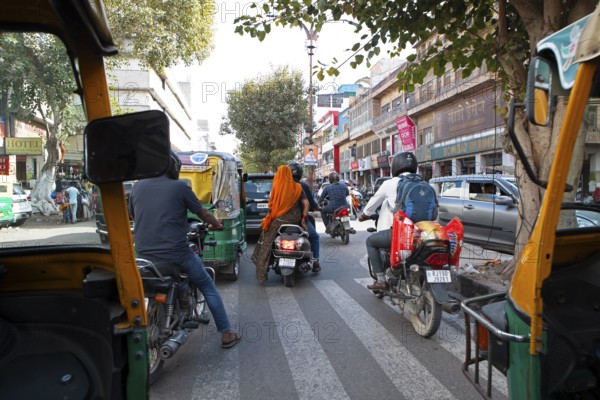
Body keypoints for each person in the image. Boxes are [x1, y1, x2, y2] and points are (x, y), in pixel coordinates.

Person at [129, 150, 241, 349]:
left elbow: (133, 215)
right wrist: (217, 225)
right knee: (207, 284)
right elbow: (204, 214)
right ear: (173, 167)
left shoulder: (137, 187)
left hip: (143, 256)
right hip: (177, 254)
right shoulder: (180, 187)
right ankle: (226, 333)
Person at [358, 152, 428, 291]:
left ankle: (381, 280)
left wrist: (364, 216)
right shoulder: (423, 183)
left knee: (370, 242)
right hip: (423, 232)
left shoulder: (389, 183)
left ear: (395, 166)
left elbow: (372, 204)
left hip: (401, 233)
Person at [252, 165, 309, 281]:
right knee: (309, 235)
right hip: (295, 220)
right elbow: (306, 203)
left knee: (265, 243)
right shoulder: (298, 187)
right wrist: (303, 219)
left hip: (279, 220)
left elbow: (271, 205)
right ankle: (313, 261)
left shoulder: (276, 187)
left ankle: (262, 272)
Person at [288, 162, 321, 272]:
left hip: (281, 220)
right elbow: (309, 204)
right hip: (299, 220)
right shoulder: (302, 186)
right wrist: (316, 208)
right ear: (300, 174)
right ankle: (315, 261)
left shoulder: (280, 185)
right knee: (315, 237)